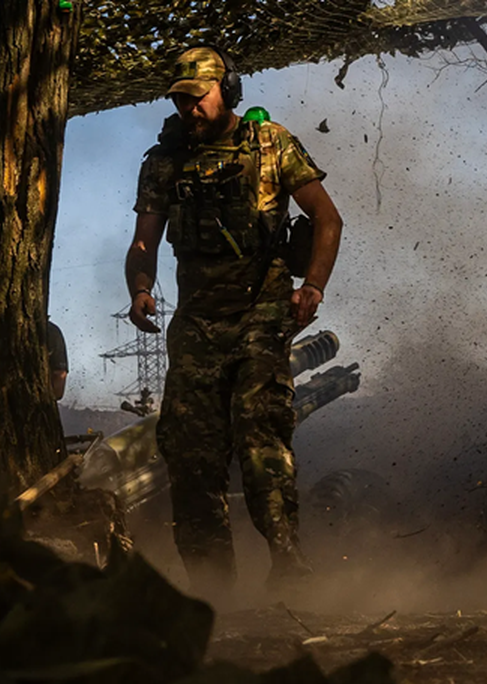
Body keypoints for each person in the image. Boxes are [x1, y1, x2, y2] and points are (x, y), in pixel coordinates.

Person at [124, 46, 343, 597]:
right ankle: (213, 590)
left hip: (262, 308)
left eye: (197, 98)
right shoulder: (164, 162)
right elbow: (143, 242)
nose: (189, 109)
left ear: (228, 90)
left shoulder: (270, 145)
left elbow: (327, 218)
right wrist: (141, 289)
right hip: (197, 321)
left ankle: (289, 563)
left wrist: (312, 286)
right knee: (190, 451)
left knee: (258, 426)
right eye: (180, 100)